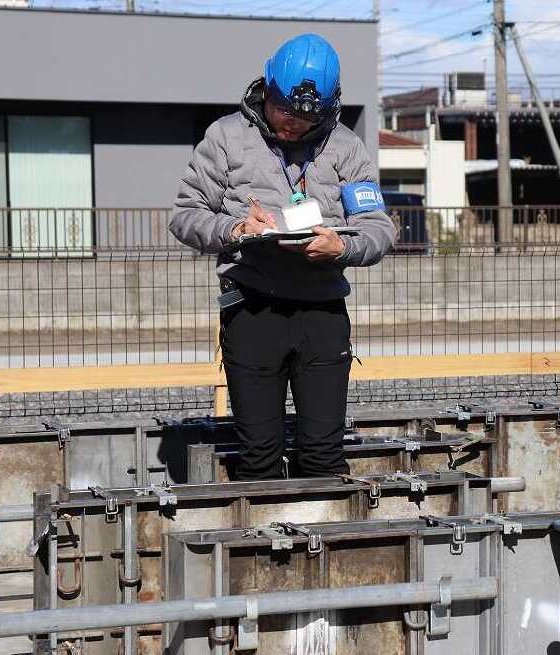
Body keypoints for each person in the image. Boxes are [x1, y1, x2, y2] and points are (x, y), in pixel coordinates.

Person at [169, 34, 396, 480]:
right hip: (253, 309)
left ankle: (323, 543)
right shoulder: (227, 138)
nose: (293, 125)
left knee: (324, 455)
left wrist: (343, 246)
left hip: (322, 311)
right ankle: (260, 545)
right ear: (267, 90)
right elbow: (184, 215)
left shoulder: (346, 147)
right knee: (257, 456)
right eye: (285, 112)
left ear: (329, 109)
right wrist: (235, 230)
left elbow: (379, 226)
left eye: (307, 118)